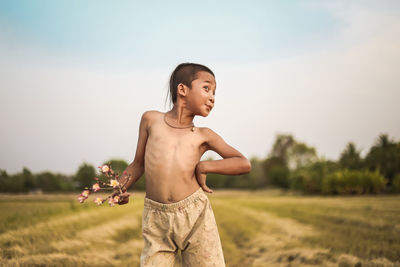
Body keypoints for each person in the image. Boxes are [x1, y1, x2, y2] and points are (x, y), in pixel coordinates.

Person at [114, 62, 252, 267]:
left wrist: (204, 167)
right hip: (156, 217)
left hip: (195, 216)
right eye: (207, 88)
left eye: (214, 92)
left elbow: (243, 163)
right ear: (182, 90)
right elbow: (138, 164)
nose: (213, 97)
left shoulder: (204, 136)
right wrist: (119, 187)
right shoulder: (151, 120)